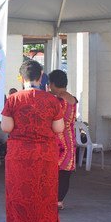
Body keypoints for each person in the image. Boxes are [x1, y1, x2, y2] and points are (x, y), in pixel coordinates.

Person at [1, 60, 65, 222]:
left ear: (21, 78)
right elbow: (58, 128)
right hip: (45, 156)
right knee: (45, 197)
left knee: (18, 196)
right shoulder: (52, 100)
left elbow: (6, 128)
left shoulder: (13, 99)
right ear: (41, 76)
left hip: (19, 156)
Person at [49, 69, 78, 210]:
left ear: (53, 83)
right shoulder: (72, 98)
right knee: (65, 173)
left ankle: (52, 200)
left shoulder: (58, 100)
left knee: (52, 172)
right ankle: (59, 201)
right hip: (70, 139)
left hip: (57, 141)